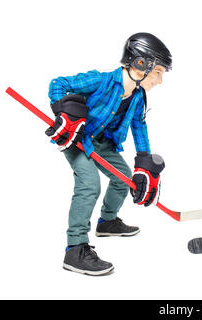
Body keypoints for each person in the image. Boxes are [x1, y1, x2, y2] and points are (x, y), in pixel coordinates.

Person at [46, 33, 172, 276]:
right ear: (140, 64)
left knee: (123, 177)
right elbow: (57, 83)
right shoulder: (100, 80)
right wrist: (65, 112)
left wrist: (144, 163)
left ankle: (107, 222)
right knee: (90, 184)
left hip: (103, 144)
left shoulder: (137, 96)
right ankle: (75, 248)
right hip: (78, 140)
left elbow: (139, 127)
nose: (160, 80)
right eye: (158, 72)